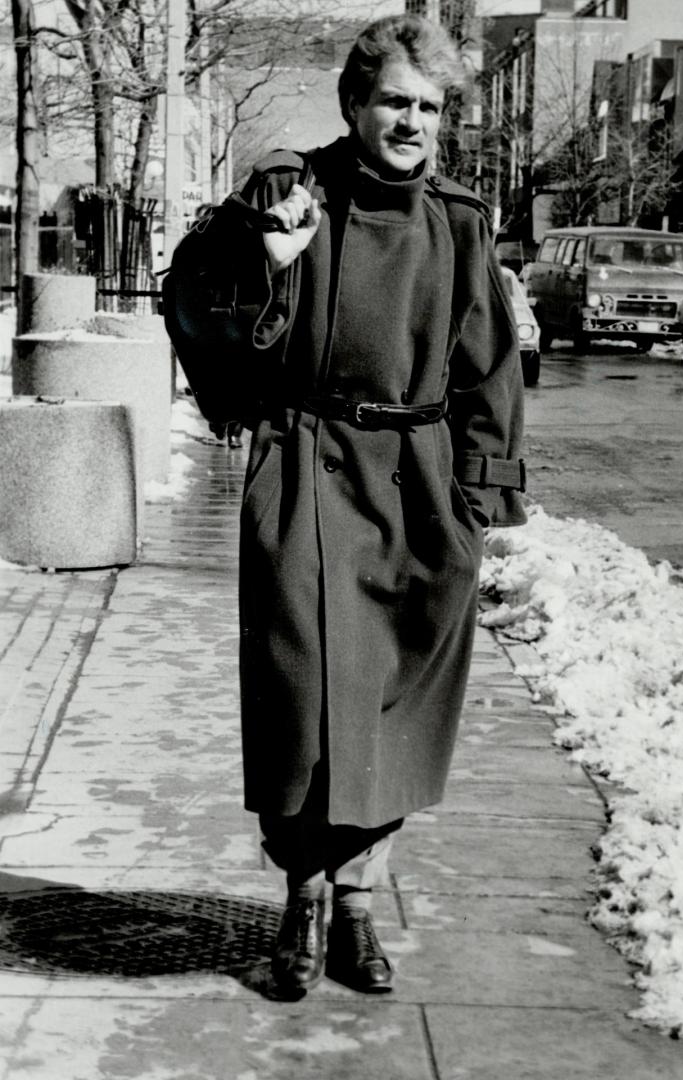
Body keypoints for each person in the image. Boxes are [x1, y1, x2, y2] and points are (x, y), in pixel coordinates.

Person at [232, 13, 525, 997]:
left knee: (397, 712)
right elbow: (223, 331)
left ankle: (358, 901)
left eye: (429, 108)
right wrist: (264, 261)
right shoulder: (290, 192)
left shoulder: (459, 221)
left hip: (421, 483)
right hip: (307, 466)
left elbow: (488, 371)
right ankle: (302, 897)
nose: (411, 122)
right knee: (303, 703)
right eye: (394, 100)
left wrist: (482, 494)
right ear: (355, 103)